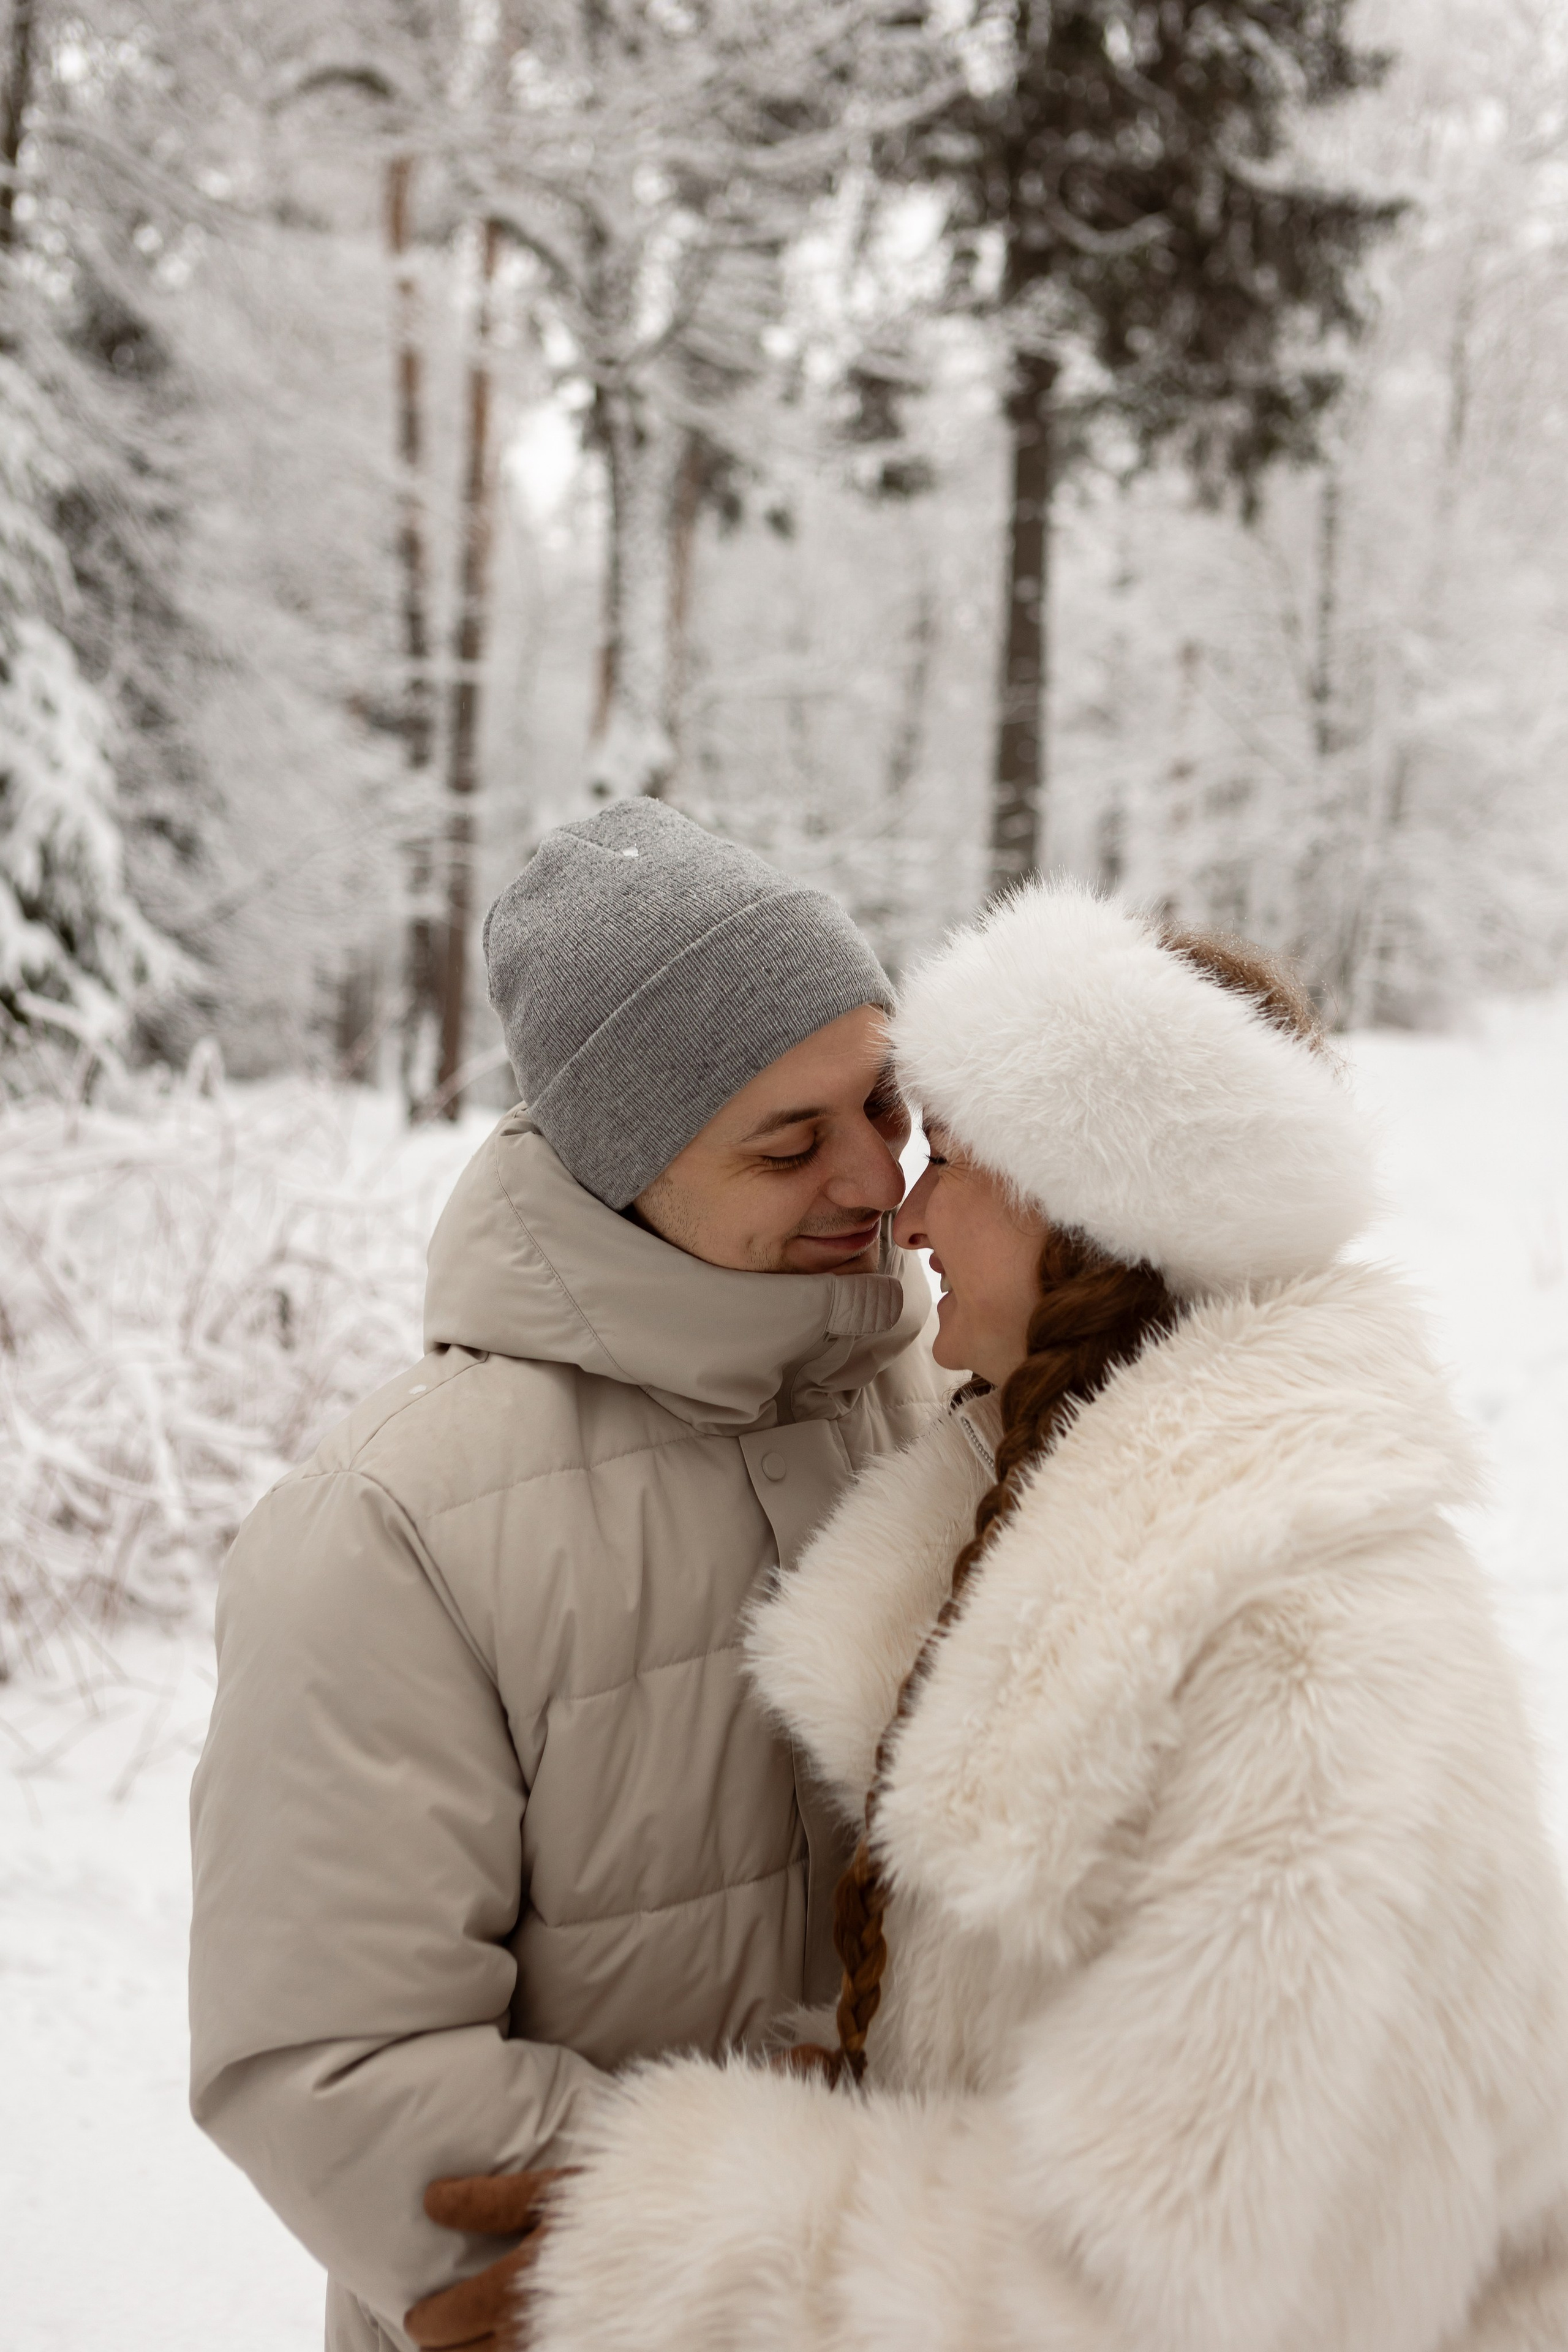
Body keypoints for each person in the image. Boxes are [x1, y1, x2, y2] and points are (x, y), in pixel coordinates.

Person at [436, 883, 1568, 2352]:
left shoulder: (1310, 1654)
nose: (902, 1215)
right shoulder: (1061, 1527)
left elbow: (1202, 2288)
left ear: (1094, 1218)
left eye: (950, 1160)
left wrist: (671, 2236)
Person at [187, 800, 948, 2352]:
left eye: (884, 1104)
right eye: (788, 1142)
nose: (877, 1179)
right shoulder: (396, 1526)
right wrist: (720, 2247)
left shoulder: (935, 1410)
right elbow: (331, 2058)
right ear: (623, 1173)